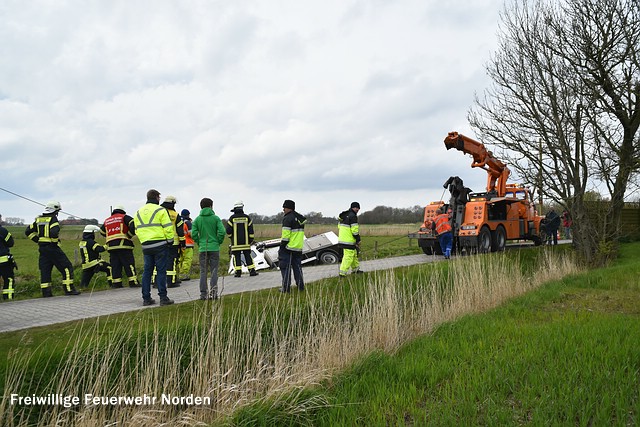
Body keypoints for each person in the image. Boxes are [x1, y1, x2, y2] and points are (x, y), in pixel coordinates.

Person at [25, 201, 80, 297]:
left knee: (45, 270)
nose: (57, 213)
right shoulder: (53, 219)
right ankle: (69, 289)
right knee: (67, 267)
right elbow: (54, 233)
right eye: (57, 211)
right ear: (55, 210)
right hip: (52, 248)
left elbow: (28, 231)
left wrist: (38, 240)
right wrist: (55, 242)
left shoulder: (38, 220)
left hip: (42, 249)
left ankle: (46, 293)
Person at [134, 189, 174, 306]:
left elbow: (136, 229)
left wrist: (144, 240)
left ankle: (146, 298)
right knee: (161, 271)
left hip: (146, 245)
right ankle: (163, 298)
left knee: (147, 272)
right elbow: (168, 227)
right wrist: (170, 241)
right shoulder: (161, 210)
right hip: (160, 244)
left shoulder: (138, 212)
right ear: (157, 197)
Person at [191, 197, 226, 300]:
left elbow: (193, 234)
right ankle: (213, 293)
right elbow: (222, 231)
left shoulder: (197, 219)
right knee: (214, 271)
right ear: (211, 206)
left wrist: (199, 242)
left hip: (203, 248)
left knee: (203, 271)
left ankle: (203, 294)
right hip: (214, 247)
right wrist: (218, 241)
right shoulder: (216, 218)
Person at [100, 205, 139, 288]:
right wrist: (129, 235)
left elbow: (102, 232)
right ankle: (133, 282)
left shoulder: (107, 220)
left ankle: (116, 283)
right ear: (122, 211)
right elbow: (134, 225)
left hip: (111, 247)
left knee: (115, 266)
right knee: (129, 264)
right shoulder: (124, 217)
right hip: (124, 245)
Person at [279, 199, 306, 293]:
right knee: (298, 268)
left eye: (284, 207)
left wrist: (282, 246)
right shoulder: (299, 218)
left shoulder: (287, 218)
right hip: (298, 248)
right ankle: (301, 287)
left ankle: (286, 288)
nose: (283, 209)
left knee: (285, 268)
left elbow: (285, 236)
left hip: (288, 248)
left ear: (288, 208)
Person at [226, 200, 259, 277]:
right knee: (248, 256)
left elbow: (228, 231)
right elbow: (251, 231)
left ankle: (238, 272)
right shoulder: (247, 218)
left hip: (235, 243)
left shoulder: (232, 218)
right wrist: (250, 240)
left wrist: (232, 237)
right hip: (246, 243)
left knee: (237, 257)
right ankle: (252, 271)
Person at [159, 196, 185, 288]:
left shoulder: (158, 212)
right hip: (173, 242)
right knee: (172, 261)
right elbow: (180, 231)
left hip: (160, 241)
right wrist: (183, 243)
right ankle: (171, 281)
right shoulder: (175, 215)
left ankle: (155, 281)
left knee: (158, 262)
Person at [338, 202, 363, 277]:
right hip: (348, 241)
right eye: (356, 208)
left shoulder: (344, 216)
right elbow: (354, 230)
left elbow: (339, 227)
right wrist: (358, 240)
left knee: (354, 254)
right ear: (353, 208)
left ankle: (355, 269)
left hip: (343, 239)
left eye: (358, 208)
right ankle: (342, 273)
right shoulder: (353, 216)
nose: (358, 209)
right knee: (348, 257)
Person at [0, 214, 16, 300]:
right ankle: (8, 299)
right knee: (9, 279)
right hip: (4, 262)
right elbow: (11, 243)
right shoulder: (2, 231)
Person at [178, 208, 194, 281]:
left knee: (180, 260)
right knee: (187, 260)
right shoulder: (188, 222)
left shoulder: (178, 221)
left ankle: (178, 274)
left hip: (179, 244)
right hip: (188, 244)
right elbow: (191, 234)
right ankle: (184, 275)